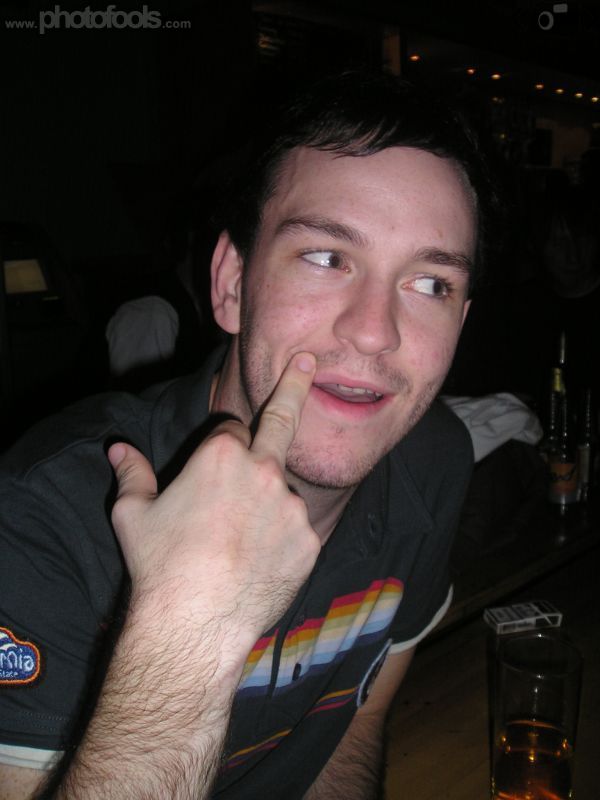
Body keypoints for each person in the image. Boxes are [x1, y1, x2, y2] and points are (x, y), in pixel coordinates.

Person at [0, 71, 496, 799]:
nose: (374, 332)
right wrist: (188, 627)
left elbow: (353, 724)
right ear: (232, 285)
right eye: (327, 257)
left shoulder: (432, 459)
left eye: (430, 284)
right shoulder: (39, 519)